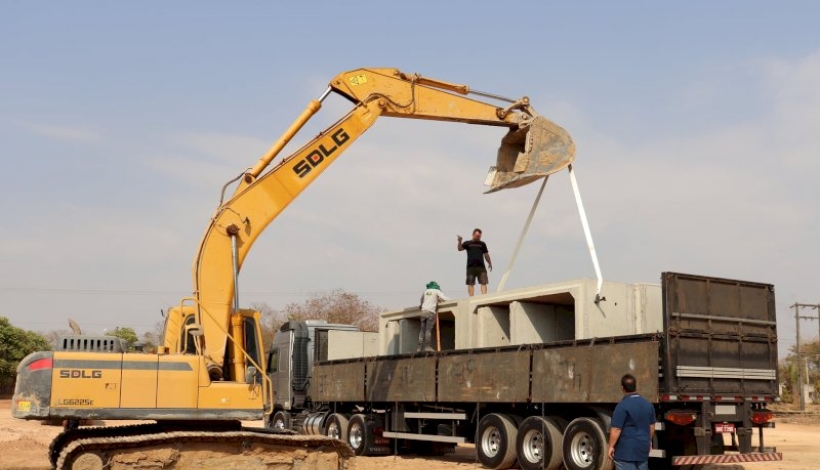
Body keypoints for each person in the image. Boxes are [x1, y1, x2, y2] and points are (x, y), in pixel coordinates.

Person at [608, 374, 656, 470]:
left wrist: (611, 446)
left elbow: (616, 429)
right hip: (642, 449)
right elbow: (651, 426)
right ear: (635, 386)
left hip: (625, 452)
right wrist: (649, 441)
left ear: (622, 388)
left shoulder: (622, 406)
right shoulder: (648, 405)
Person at [457, 228, 492, 296]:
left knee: (483, 282)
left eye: (479, 236)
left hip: (481, 267)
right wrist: (460, 241)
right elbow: (460, 249)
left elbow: (486, 254)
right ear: (473, 235)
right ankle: (471, 297)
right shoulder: (468, 243)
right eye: (476, 235)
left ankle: (484, 297)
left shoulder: (482, 244)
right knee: (470, 283)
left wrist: (489, 262)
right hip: (471, 267)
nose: (478, 237)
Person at [418, 281, 450, 352]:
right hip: (430, 312)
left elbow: (421, 301)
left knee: (422, 330)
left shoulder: (425, 291)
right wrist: (453, 300)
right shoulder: (436, 291)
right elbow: (444, 298)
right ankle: (427, 346)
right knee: (428, 330)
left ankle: (419, 348)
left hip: (423, 311)